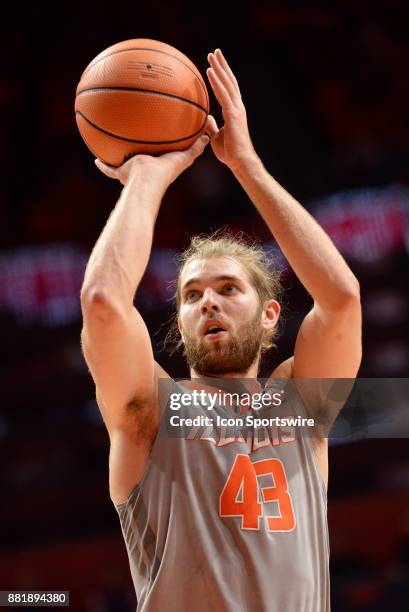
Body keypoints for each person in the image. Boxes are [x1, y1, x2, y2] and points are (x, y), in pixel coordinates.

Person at [80, 48, 362, 611]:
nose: (208, 301)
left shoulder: (297, 405)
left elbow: (342, 300)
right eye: (191, 295)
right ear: (179, 323)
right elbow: (104, 302)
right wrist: (147, 176)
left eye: (229, 289)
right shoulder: (151, 415)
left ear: (269, 315)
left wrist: (247, 166)